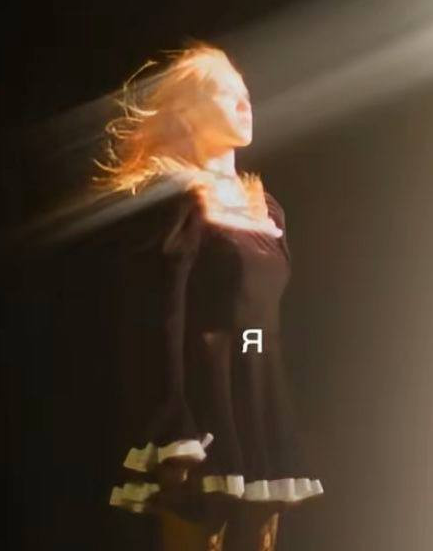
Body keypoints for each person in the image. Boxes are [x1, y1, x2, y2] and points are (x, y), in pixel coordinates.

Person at [96, 44, 323, 550]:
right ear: (185, 113)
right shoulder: (174, 199)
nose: (245, 103)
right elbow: (158, 321)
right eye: (225, 93)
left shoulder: (267, 209)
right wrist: (174, 429)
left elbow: (259, 327)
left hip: (257, 408)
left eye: (246, 94)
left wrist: (275, 406)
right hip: (201, 411)